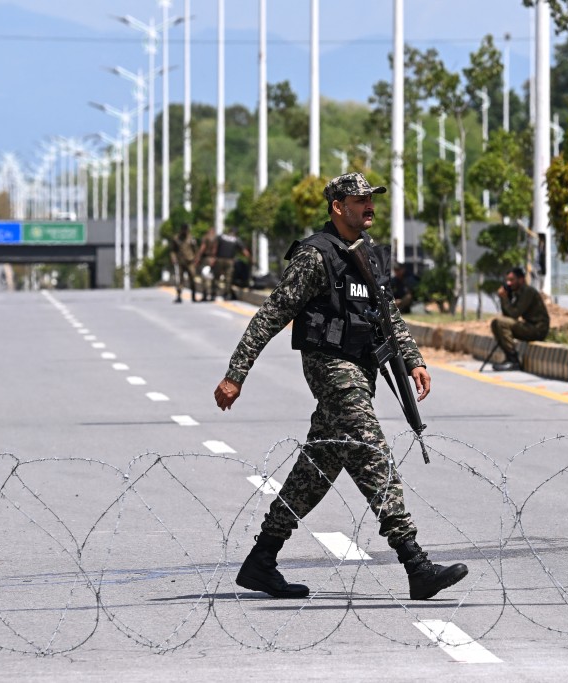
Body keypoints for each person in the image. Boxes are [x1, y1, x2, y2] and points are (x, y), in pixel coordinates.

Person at [213, 172, 469, 601]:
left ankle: (262, 559)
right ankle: (415, 562)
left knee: (317, 468)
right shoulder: (315, 256)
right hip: (331, 368)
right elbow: (271, 314)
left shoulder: (368, 253)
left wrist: (413, 359)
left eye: (372, 199)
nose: (369, 206)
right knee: (372, 453)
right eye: (359, 199)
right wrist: (235, 374)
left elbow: (387, 312)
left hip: (363, 368)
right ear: (338, 206)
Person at [490, 267, 550, 371]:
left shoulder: (527, 292)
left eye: (512, 280)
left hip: (537, 329)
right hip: (529, 326)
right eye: (507, 281)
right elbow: (508, 315)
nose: (509, 283)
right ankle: (509, 357)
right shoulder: (518, 292)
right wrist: (506, 297)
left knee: (501, 323)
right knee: (495, 323)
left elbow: (514, 314)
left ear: (521, 280)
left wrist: (504, 298)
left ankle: (514, 361)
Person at [210, 225, 251, 301]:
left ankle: (213, 294)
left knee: (216, 277)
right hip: (229, 261)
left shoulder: (221, 237)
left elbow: (215, 247)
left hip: (219, 259)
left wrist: (213, 257)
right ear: (235, 233)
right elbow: (244, 251)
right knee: (228, 278)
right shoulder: (236, 239)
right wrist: (250, 259)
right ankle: (226, 294)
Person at [169, 223, 200, 303]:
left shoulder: (191, 238)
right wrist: (173, 258)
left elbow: (196, 250)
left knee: (193, 278)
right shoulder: (176, 238)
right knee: (180, 280)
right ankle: (179, 296)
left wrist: (196, 260)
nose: (185, 232)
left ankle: (193, 296)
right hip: (180, 262)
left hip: (190, 262)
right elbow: (173, 250)